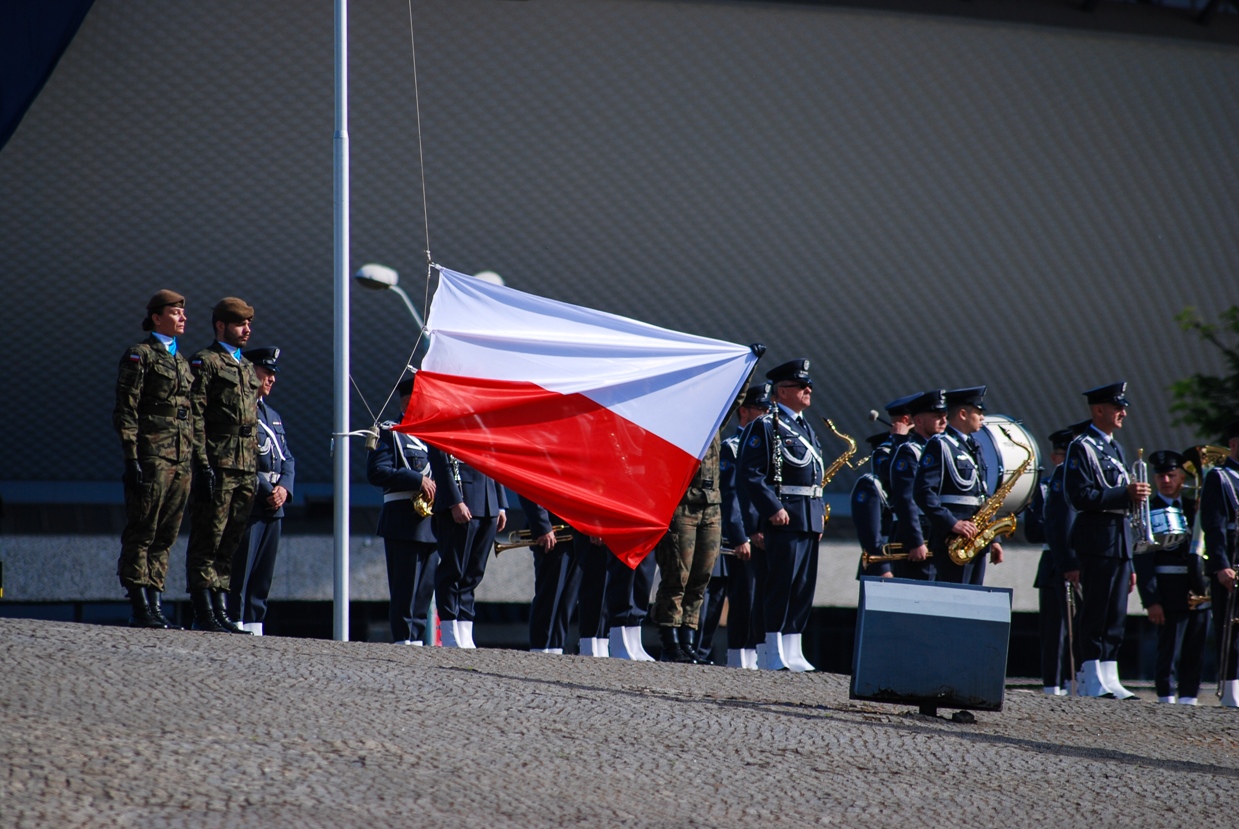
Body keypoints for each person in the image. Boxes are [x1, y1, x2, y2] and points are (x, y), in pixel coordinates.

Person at [113, 290, 194, 629]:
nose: (183, 318)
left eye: (183, 313)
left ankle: (155, 599)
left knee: (166, 533)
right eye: (176, 312)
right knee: (143, 528)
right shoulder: (140, 356)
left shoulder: (182, 361)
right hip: (152, 454)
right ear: (157, 317)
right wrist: (132, 457)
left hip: (180, 456)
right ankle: (138, 601)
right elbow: (126, 410)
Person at [1063, 381, 1149, 699]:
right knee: (1096, 608)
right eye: (1117, 407)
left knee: (1116, 611)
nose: (1123, 413)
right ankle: (1090, 674)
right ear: (1098, 410)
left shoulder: (1115, 448)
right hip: (1097, 536)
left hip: (1119, 535)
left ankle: (1110, 674)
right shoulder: (1081, 447)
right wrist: (1123, 493)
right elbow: (1079, 495)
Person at [738, 358, 825, 672]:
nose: (807, 390)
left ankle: (793, 647)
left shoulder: (805, 427)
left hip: (807, 516)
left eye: (808, 385)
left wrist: (818, 516)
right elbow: (748, 473)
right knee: (780, 584)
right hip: (784, 516)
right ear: (781, 391)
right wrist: (771, 508)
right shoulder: (766, 424)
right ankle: (772, 650)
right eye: (800, 386)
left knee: (802, 586)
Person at [185, 297, 261, 634]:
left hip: (244, 464)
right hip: (218, 461)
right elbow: (194, 416)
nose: (246, 330)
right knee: (208, 536)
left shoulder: (245, 366)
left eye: (248, 324)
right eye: (239, 324)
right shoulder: (206, 362)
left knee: (231, 539)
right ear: (221, 326)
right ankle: (203, 609)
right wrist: (201, 465)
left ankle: (220, 607)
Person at [228, 346, 295, 636]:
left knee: (262, 574)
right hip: (250, 501)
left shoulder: (273, 415)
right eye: (267, 372)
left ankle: (255, 624)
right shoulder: (237, 408)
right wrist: (268, 488)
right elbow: (236, 456)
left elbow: (287, 458)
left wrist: (284, 489)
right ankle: (234, 621)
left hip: (274, 505)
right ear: (251, 371)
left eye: (273, 374)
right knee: (240, 570)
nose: (271, 379)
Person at [366, 376, 438, 645]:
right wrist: (417, 480)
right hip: (404, 520)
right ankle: (404, 641)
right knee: (405, 589)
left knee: (424, 590)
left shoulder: (431, 432)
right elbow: (376, 472)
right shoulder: (390, 431)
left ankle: (416, 640)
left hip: (431, 522)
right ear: (409, 400)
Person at [705, 382, 770, 668]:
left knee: (759, 597)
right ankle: (738, 657)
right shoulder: (733, 447)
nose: (767, 413)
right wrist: (741, 534)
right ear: (744, 411)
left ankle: (754, 654)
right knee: (742, 598)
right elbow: (730, 496)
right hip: (741, 536)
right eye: (761, 408)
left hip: (765, 534)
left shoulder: (768, 445)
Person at [1134, 450, 1207, 704]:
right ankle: (1166, 698)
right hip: (1167, 588)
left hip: (1197, 587)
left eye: (1171, 475)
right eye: (1161, 476)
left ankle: (1189, 698)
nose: (1166, 481)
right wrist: (1151, 599)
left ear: (1181, 477)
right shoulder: (1147, 510)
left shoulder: (1194, 507)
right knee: (1169, 648)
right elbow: (1143, 559)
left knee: (1195, 647)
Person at [915, 386, 1003, 585]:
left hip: (976, 537)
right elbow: (923, 492)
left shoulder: (974, 445)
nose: (982, 417)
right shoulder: (940, 445)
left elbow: (983, 494)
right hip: (953, 539)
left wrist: (994, 538)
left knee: (973, 600)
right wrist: (951, 523)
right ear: (963, 414)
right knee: (954, 600)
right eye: (979, 412)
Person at [652, 430, 723, 663]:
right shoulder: (685, 413)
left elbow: (736, 398)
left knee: (700, 577)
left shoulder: (717, 412)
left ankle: (688, 642)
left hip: (711, 505)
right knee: (677, 575)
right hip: (682, 503)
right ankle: (670, 643)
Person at [429, 448, 507, 648]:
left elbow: (493, 459)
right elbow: (440, 458)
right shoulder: (447, 417)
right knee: (453, 569)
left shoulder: (482, 421)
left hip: (487, 499)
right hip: (462, 498)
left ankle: (464, 629)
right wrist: (454, 500)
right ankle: (448, 630)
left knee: (474, 572)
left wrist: (500, 504)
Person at [1026, 427, 1079, 696]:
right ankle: (1052, 685)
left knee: (1082, 626)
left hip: (1083, 559)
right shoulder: (1045, 488)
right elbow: (1033, 530)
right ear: (1053, 457)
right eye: (1062, 455)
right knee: (1053, 629)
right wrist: (1060, 529)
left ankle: (1079, 681)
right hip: (1052, 559)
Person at [888, 390, 948, 582]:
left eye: (945, 416)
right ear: (919, 421)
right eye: (937, 416)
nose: (944, 421)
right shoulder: (910, 451)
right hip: (921, 532)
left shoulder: (944, 450)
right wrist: (916, 540)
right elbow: (905, 498)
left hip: (941, 532)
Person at [1200, 418, 1239, 708]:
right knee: (1230, 629)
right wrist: (1220, 564)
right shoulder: (1220, 477)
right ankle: (1230, 691)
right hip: (1231, 563)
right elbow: (1213, 525)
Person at [517, 496, 583, 654]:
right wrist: (542, 524)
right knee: (549, 594)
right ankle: (540, 647)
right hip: (551, 528)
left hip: (577, 527)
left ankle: (555, 647)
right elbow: (529, 486)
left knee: (568, 599)